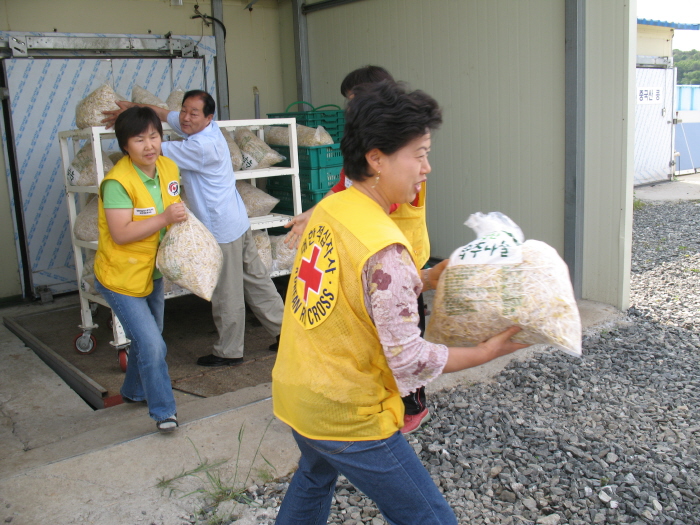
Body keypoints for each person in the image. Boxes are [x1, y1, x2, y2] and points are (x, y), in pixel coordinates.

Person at [271, 80, 529, 524]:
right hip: (345, 409)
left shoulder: (334, 208)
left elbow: (352, 292)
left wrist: (426, 278)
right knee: (429, 518)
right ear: (376, 158)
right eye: (420, 153)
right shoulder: (384, 247)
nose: (428, 167)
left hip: (297, 389)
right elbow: (409, 360)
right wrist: (485, 352)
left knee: (314, 478)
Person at [284, 65, 432, 434]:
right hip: (369, 265)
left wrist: (486, 352)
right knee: (381, 339)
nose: (426, 167)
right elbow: (344, 194)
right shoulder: (367, 166)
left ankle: (411, 402)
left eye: (355, 102)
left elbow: (365, 201)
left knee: (403, 334)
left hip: (398, 263)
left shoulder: (397, 177)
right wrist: (313, 213)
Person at [103, 90, 284, 367]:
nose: (185, 118)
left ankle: (229, 351)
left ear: (209, 117)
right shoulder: (205, 127)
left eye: (193, 113)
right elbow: (165, 116)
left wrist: (131, 125)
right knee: (257, 279)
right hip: (237, 220)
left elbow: (149, 148)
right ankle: (285, 334)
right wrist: (136, 108)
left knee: (227, 292)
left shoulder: (201, 147)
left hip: (221, 228)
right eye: (184, 110)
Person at [94, 106, 187, 433]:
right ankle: (164, 412)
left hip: (152, 272)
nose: (150, 145)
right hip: (120, 277)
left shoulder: (168, 167)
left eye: (154, 136)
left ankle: (134, 391)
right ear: (124, 146)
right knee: (152, 344)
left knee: (148, 340)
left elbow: (173, 206)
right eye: (139, 139)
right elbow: (120, 233)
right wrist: (163, 219)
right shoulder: (117, 182)